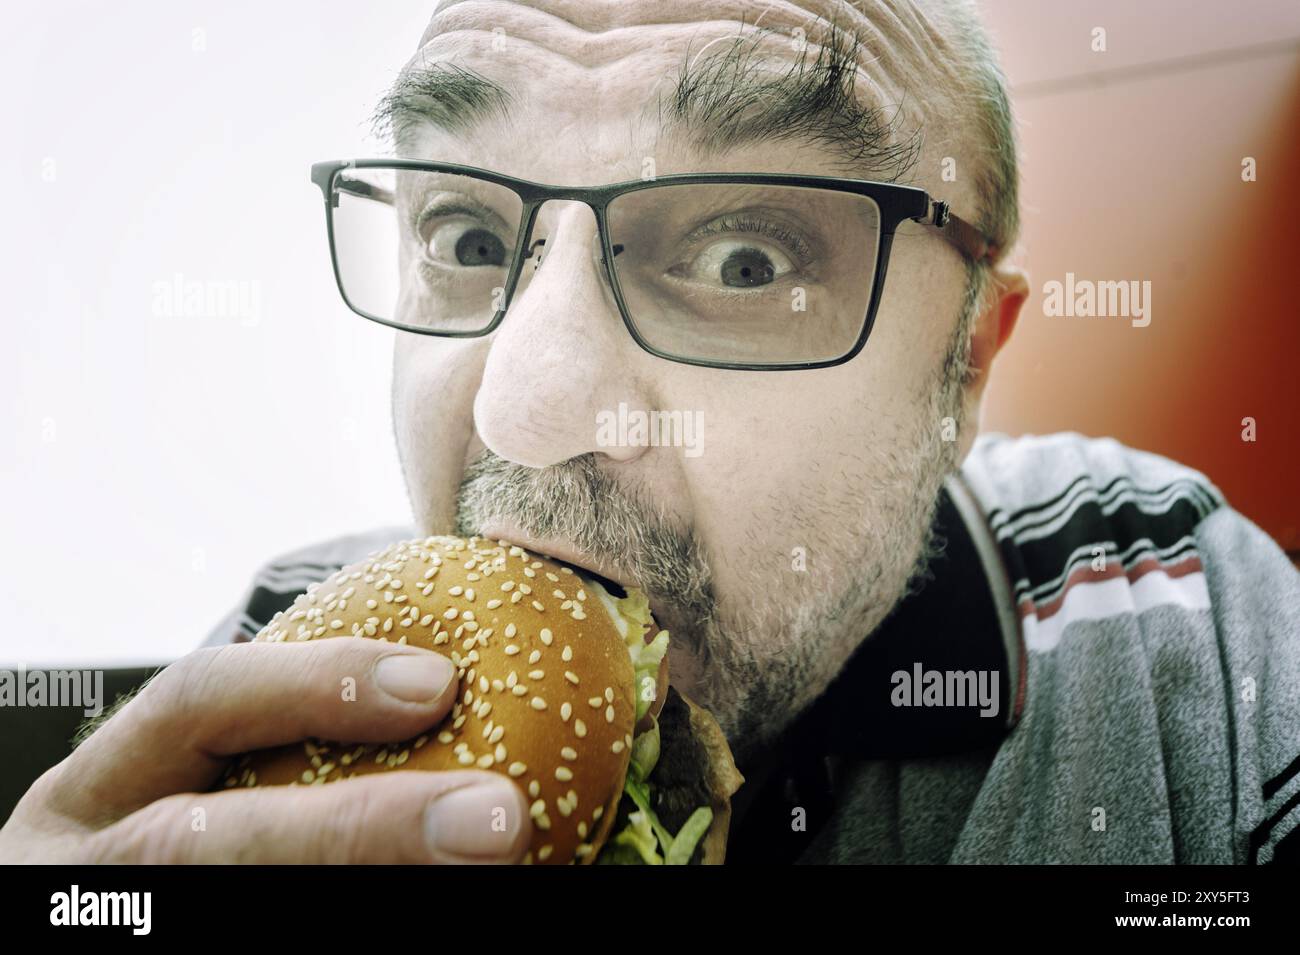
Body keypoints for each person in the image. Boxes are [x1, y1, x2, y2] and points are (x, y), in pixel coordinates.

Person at [3, 0, 1296, 864]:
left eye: (747, 257)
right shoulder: (299, 655)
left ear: (963, 367)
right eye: (467, 239)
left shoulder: (1162, 594)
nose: (529, 412)